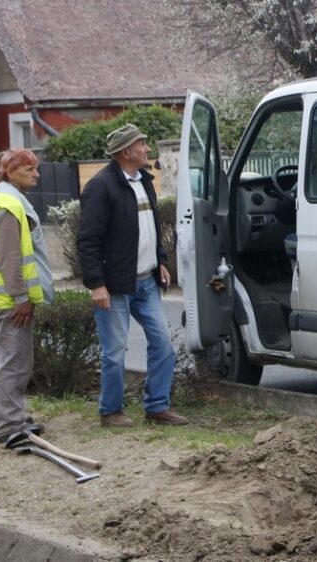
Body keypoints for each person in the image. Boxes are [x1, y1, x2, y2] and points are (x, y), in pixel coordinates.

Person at [78, 123, 187, 427]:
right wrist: (97, 284)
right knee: (114, 352)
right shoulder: (101, 187)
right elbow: (88, 240)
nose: (147, 148)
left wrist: (161, 261)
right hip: (115, 286)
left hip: (146, 281)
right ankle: (110, 411)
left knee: (163, 345)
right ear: (126, 152)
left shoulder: (144, 181)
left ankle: (156, 406)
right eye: (141, 144)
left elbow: (152, 228)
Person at [0, 149, 54, 446]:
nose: (36, 174)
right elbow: (10, 258)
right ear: (11, 173)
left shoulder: (0, 200)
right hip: (12, 302)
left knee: (0, 360)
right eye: (29, 169)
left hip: (2, 300)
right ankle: (10, 425)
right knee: (15, 362)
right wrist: (22, 297)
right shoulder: (10, 206)